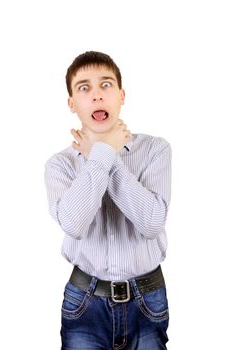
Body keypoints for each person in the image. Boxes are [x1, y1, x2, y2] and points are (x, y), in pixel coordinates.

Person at [44, 51, 172, 350]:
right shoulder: (59, 165)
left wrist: (103, 155)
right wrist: (105, 153)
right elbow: (74, 224)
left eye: (106, 85)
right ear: (72, 103)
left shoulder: (156, 150)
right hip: (84, 302)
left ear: (121, 95)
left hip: (147, 299)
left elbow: (152, 222)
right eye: (84, 88)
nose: (97, 96)